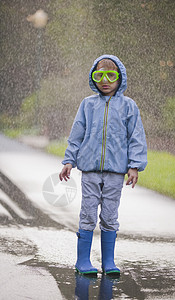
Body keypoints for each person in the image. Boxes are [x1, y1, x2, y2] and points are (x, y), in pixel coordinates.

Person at [59, 54, 147, 275]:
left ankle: (109, 261)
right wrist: (69, 160)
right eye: (99, 76)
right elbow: (76, 134)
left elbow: (136, 137)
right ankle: (83, 261)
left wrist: (134, 165)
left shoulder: (129, 106)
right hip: (89, 170)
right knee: (88, 213)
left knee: (109, 215)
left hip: (116, 173)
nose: (105, 80)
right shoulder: (88, 105)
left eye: (111, 75)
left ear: (120, 78)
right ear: (93, 77)